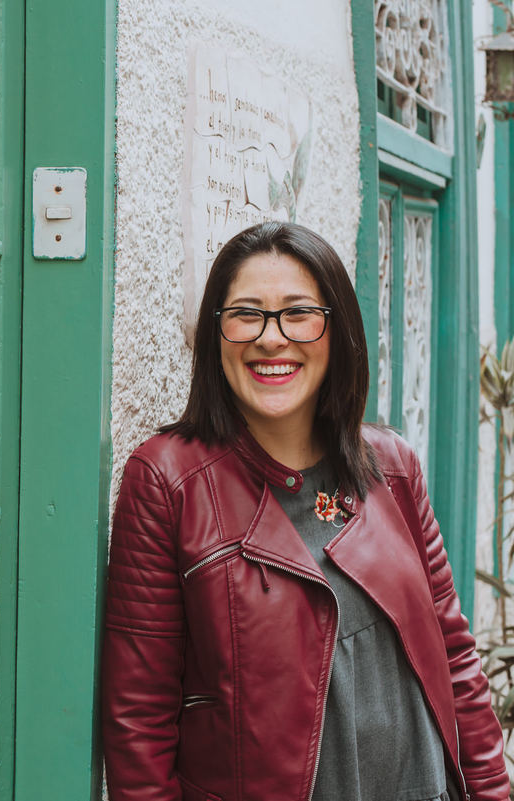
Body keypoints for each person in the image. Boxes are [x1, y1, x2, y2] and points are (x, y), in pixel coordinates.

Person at [101, 222, 509, 801]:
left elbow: (453, 655)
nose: (272, 339)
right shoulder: (169, 482)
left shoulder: (391, 466)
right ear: (216, 335)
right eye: (246, 314)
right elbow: (138, 722)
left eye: (299, 313)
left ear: (337, 331)